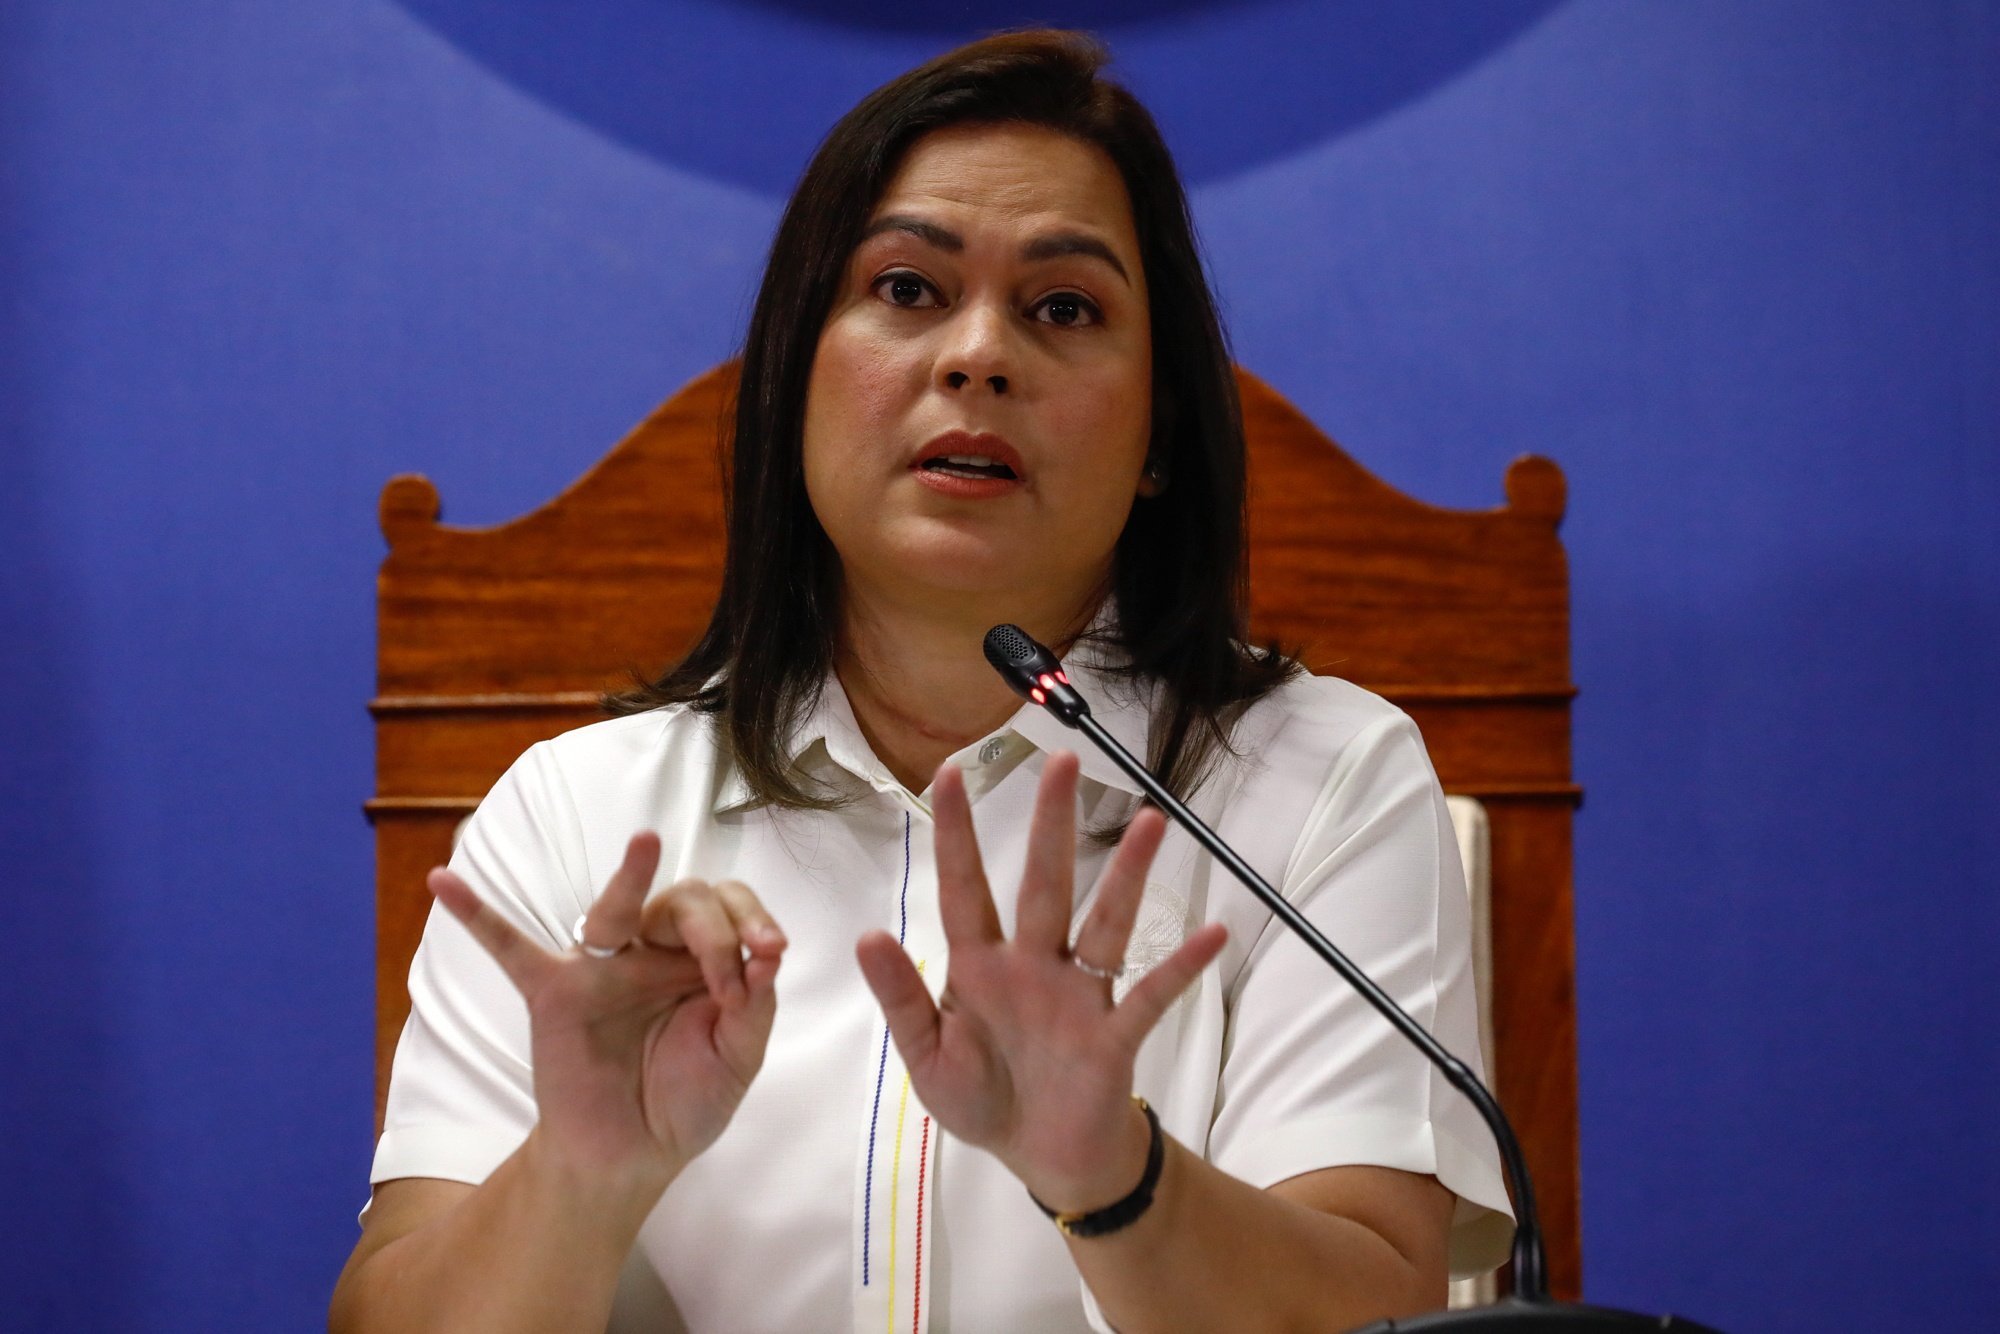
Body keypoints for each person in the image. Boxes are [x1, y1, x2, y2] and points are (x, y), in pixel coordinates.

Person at [329, 29, 1510, 1334]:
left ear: (1161, 427)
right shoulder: (579, 820)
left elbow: (1376, 1314)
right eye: (906, 288)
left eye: (1064, 307)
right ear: (796, 379)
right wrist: (580, 1174)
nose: (978, 356)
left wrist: (1114, 1175)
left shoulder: (1319, 779)